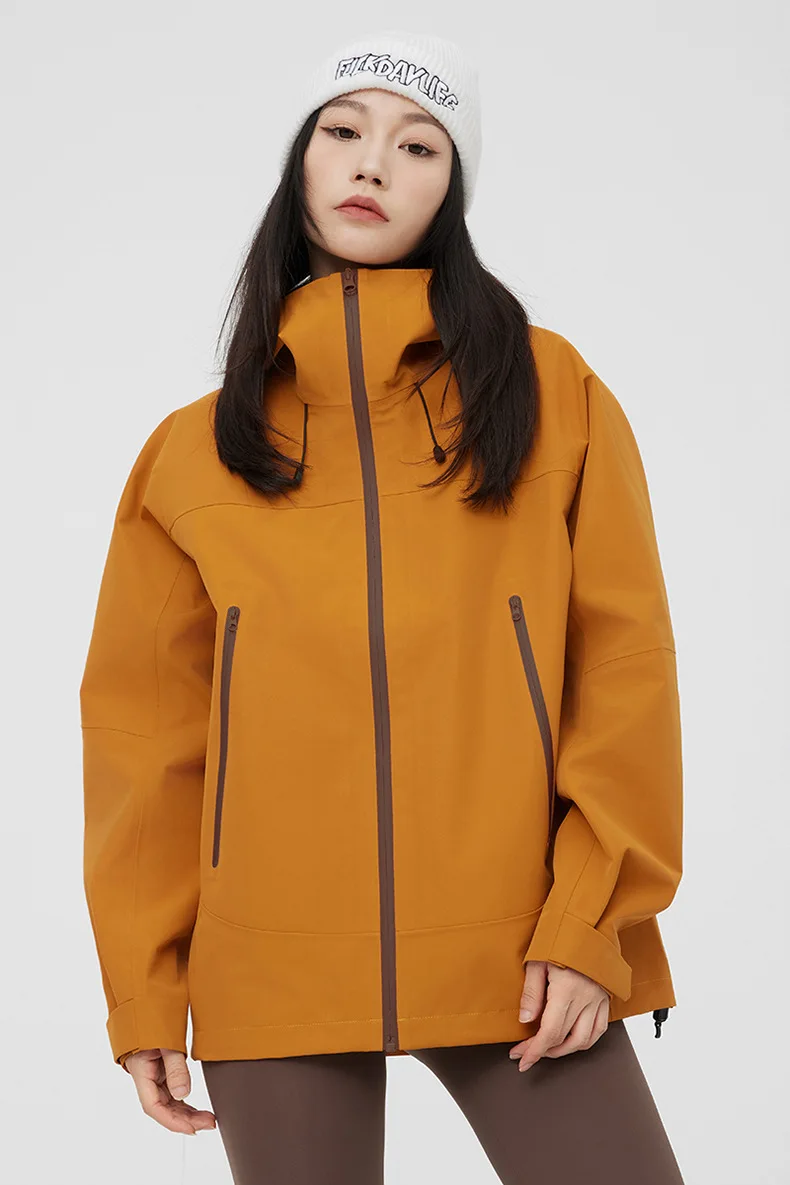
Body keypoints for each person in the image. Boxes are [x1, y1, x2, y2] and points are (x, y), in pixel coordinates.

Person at [79, 30, 686, 1185]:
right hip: (270, 956)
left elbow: (622, 671)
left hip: (519, 945)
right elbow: (146, 746)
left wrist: (586, 922)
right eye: (343, 131)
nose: (372, 164)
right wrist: (145, 987)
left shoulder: (549, 393)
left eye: (418, 146)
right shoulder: (191, 455)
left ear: (449, 190)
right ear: (299, 162)